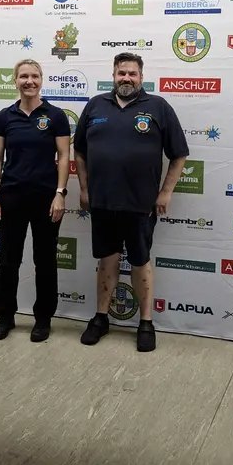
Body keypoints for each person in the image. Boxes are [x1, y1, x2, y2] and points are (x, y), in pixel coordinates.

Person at [74, 52, 189, 352]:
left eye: (132, 73)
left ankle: (146, 322)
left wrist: (165, 192)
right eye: (121, 73)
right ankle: (101, 318)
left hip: (141, 204)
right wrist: (84, 189)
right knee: (107, 259)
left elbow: (179, 155)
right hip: (102, 202)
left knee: (140, 261)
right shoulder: (95, 105)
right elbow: (80, 151)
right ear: (113, 75)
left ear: (141, 77)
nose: (126, 78)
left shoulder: (158, 107)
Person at [0, 59, 71, 343]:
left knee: (45, 261)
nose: (29, 81)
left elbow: (64, 157)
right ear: (15, 81)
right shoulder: (4, 116)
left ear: (41, 80)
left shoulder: (56, 116)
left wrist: (60, 193)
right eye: (23, 76)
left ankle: (43, 319)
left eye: (34, 76)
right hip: (11, 196)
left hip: (47, 199)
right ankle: (5, 317)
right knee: (8, 260)